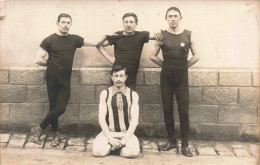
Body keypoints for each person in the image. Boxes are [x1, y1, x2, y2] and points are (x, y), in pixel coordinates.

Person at [32, 13, 111, 147]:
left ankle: (39, 128)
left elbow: (96, 43)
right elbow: (38, 59)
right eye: (63, 22)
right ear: (57, 23)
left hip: (65, 80)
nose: (66, 25)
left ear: (71, 25)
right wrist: (51, 64)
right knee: (53, 107)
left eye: (68, 23)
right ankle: (56, 133)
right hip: (51, 77)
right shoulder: (49, 40)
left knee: (61, 108)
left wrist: (108, 35)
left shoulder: (75, 39)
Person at [149, 7, 200, 157]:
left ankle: (185, 145)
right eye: (170, 16)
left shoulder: (188, 34)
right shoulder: (161, 35)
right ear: (166, 18)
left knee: (183, 111)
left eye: (175, 16)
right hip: (166, 77)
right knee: (167, 109)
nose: (172, 18)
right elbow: (152, 56)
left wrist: (183, 66)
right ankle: (172, 141)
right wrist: (166, 65)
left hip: (182, 78)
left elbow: (196, 56)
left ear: (180, 18)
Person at [96, 12, 163, 90]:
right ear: (123, 23)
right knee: (115, 98)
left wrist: (157, 34)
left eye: (131, 22)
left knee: (130, 98)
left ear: (136, 24)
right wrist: (109, 57)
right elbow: (98, 44)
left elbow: (158, 37)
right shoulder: (117, 35)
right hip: (117, 74)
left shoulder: (141, 35)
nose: (128, 25)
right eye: (126, 22)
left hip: (132, 74)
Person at [93, 64, 140, 158]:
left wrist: (124, 140)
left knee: (134, 152)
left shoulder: (133, 95)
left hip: (126, 133)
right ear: (112, 77)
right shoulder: (105, 93)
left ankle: (117, 149)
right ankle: (114, 147)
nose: (119, 79)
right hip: (109, 132)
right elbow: (101, 119)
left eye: (121, 76)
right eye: (116, 76)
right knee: (97, 152)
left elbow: (135, 121)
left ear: (126, 77)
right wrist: (110, 138)